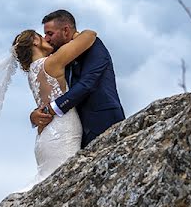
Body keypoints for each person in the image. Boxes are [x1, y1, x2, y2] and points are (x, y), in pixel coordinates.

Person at [29, 10, 125, 148]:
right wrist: (34, 116)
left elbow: (87, 84)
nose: (47, 39)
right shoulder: (59, 56)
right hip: (74, 133)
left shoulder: (95, 46)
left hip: (104, 121)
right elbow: (50, 90)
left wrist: (51, 109)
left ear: (66, 30)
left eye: (50, 33)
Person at [12, 26, 96, 179]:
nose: (46, 38)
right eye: (42, 36)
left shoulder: (32, 72)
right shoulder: (51, 63)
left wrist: (33, 116)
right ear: (35, 41)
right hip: (62, 133)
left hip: (44, 138)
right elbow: (90, 36)